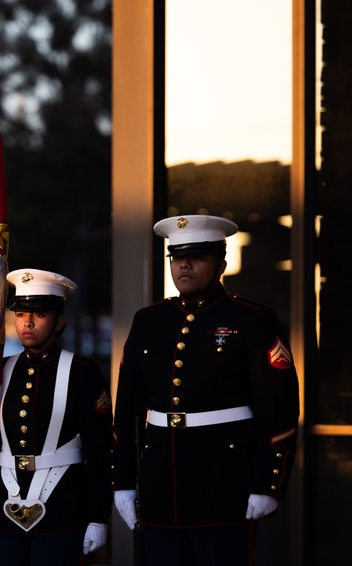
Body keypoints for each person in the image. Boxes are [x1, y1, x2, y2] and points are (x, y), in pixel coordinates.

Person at [112, 215, 300, 565]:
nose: (184, 265)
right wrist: (123, 480)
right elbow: (127, 409)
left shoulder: (252, 318)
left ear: (221, 263)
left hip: (225, 486)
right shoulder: (148, 321)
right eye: (177, 256)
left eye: (196, 256)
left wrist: (267, 483)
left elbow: (279, 406)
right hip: (159, 487)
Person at [0, 268, 113, 565]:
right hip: (4, 510)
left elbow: (99, 450)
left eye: (40, 315)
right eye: (20, 314)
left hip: (62, 511)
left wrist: (98, 516)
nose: (27, 322)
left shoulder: (82, 372)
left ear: (60, 322)